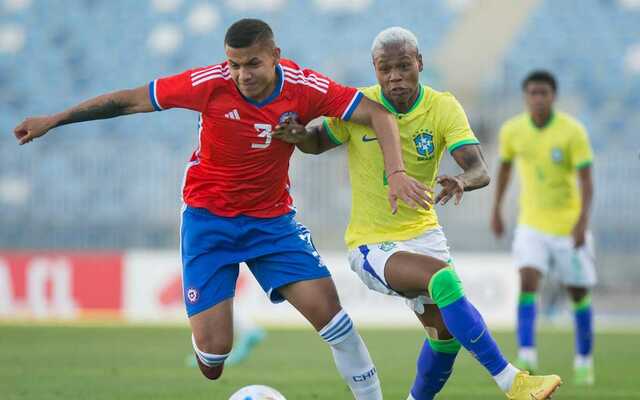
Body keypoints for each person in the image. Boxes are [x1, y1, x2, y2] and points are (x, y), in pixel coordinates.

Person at [13, 18, 433, 399]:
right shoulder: (209, 83)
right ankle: (215, 326)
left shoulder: (306, 88)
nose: (241, 75)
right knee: (214, 361)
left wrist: (395, 171)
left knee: (332, 317)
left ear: (275, 57)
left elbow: (379, 115)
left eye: (252, 64)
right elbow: (130, 101)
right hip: (208, 221)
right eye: (234, 65)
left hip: (272, 221)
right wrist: (56, 119)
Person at [273, 27, 562, 400]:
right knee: (442, 281)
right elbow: (317, 143)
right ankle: (513, 382)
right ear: (375, 69)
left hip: (425, 236)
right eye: (385, 69)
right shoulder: (360, 105)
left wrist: (461, 180)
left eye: (404, 66)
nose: (395, 77)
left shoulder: (442, 106)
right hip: (372, 245)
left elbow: (480, 169)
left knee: (445, 342)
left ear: (420, 63)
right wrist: (300, 137)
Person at [491, 70, 595, 385]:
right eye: (532, 93)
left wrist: (581, 223)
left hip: (567, 226)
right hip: (531, 223)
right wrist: (496, 209)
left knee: (578, 293)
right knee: (527, 280)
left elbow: (587, 181)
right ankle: (527, 354)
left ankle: (584, 361)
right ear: (525, 97)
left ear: (553, 96)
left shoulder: (572, 132)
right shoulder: (512, 131)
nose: (538, 98)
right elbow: (505, 169)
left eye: (543, 93)